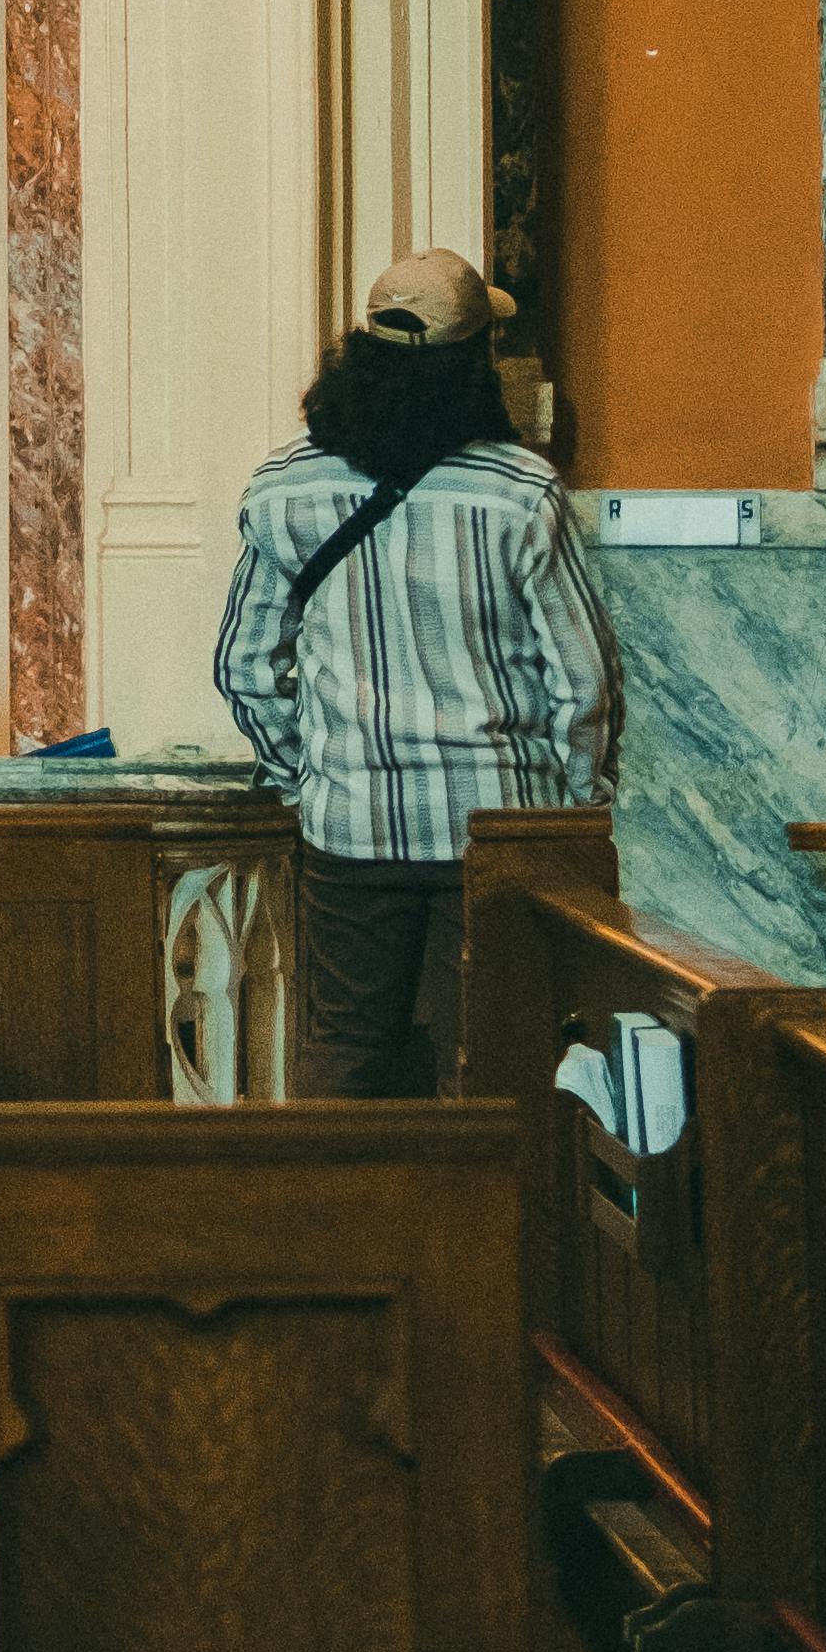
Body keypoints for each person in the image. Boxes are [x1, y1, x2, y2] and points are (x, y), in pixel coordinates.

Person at [212, 247, 614, 1096]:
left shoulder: (285, 489)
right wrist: (572, 802)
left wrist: (304, 776)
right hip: (498, 830)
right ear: (476, 367)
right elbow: (583, 682)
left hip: (351, 825)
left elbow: (245, 666)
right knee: (495, 1058)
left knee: (347, 1050)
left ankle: (345, 1225)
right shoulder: (521, 494)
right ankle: (490, 1228)